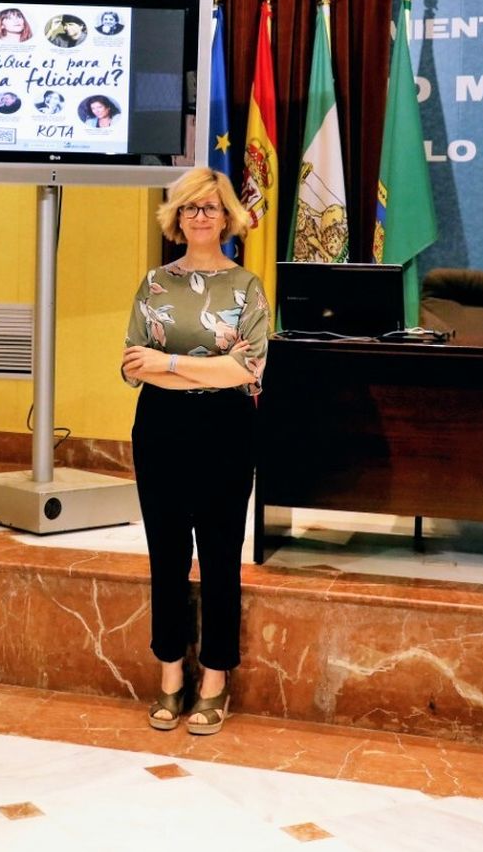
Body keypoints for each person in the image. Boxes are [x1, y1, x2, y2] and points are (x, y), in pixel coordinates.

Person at [122, 167, 268, 737]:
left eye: (209, 208)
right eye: (189, 208)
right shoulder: (155, 282)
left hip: (226, 430)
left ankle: (214, 679)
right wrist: (200, 370)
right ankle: (169, 675)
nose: (199, 217)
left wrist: (172, 364)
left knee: (220, 556)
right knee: (165, 553)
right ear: (176, 218)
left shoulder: (247, 287)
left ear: (227, 216)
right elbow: (133, 366)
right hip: (159, 428)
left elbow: (247, 369)